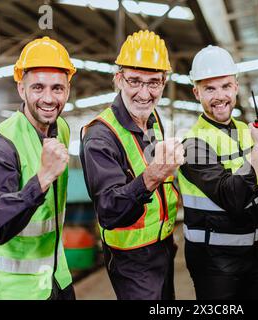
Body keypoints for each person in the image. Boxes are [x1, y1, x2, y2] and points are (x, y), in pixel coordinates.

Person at [80, 30, 183, 300]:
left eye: (153, 83)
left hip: (163, 246)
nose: (144, 93)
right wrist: (153, 176)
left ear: (164, 82)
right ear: (118, 79)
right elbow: (109, 211)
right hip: (131, 260)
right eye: (135, 81)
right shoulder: (100, 136)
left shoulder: (152, 118)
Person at [0, 37, 76, 300]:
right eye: (38, 87)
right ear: (21, 88)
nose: (49, 98)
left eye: (57, 88)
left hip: (53, 276)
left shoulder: (60, 128)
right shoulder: (1, 148)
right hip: (10, 289)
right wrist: (41, 179)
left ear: (68, 89)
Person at [177, 45, 258, 300]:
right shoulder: (192, 144)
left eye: (225, 86)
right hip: (215, 264)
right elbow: (233, 197)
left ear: (235, 87)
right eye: (209, 89)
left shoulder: (246, 129)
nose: (219, 96)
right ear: (196, 92)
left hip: (255, 256)